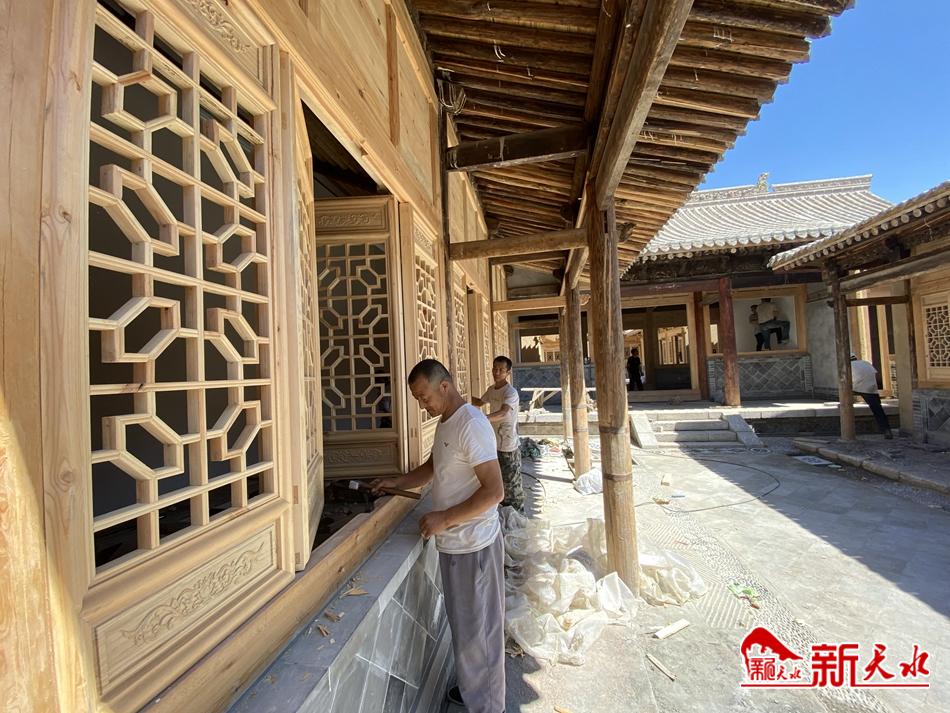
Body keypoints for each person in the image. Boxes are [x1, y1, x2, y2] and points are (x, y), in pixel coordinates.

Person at [372, 359, 505, 713]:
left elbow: (494, 491)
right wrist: (398, 481)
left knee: (480, 634)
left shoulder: (471, 424)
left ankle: (488, 705)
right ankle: (476, 689)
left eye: (424, 396)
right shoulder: (447, 422)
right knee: (466, 629)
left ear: (444, 386)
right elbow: (435, 466)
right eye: (417, 399)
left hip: (475, 545)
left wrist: (444, 518)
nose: (422, 405)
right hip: (456, 546)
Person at [472, 355, 524, 512]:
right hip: (494, 443)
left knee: (511, 484)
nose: (497, 372)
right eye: (495, 369)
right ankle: (503, 513)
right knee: (497, 481)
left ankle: (517, 515)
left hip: (508, 445)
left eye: (501, 370)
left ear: (508, 372)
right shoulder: (491, 390)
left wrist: (483, 418)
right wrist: (462, 397)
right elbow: (479, 402)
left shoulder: (510, 393)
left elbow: (503, 412)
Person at [850, 354, 892, 438]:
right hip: (872, 388)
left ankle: (848, 428)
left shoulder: (849, 366)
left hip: (858, 387)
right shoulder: (866, 363)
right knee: (878, 409)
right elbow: (874, 373)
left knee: (844, 401)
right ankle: (886, 430)